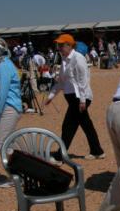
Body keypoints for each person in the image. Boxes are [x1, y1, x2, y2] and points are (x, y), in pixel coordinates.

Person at [45, 33, 105, 161]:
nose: (59, 47)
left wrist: (82, 100)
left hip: (80, 98)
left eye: (61, 45)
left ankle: (60, 155)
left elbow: (83, 80)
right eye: (58, 45)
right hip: (73, 98)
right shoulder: (64, 60)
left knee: (68, 125)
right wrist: (51, 96)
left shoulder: (78, 58)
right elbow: (61, 81)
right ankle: (97, 151)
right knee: (86, 124)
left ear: (69, 45)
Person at [0, 37, 23, 188]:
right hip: (9, 107)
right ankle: (18, 174)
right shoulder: (5, 64)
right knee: (9, 143)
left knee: (2, 144)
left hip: (9, 107)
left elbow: (2, 94)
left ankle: (16, 177)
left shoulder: (3, 66)